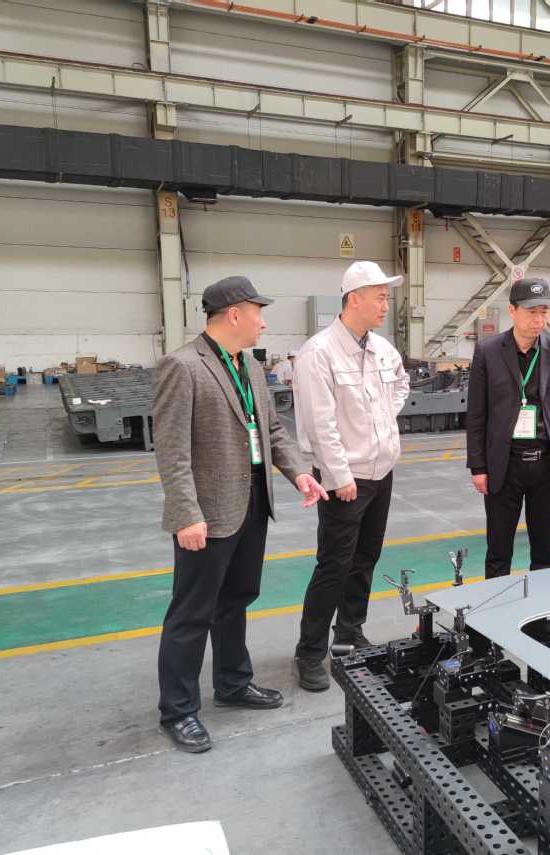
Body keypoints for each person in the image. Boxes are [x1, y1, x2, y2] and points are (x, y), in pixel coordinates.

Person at [153, 275, 328, 753]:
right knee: (192, 612)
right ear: (234, 314)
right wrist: (186, 514)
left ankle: (232, 682)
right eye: (258, 312)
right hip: (207, 514)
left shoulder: (248, 365)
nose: (263, 322)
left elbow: (270, 430)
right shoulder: (182, 366)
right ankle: (178, 710)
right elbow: (172, 451)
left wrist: (298, 474)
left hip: (251, 504)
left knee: (236, 599)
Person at [292, 260, 411, 692]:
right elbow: (319, 424)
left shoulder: (383, 349)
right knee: (334, 565)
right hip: (345, 479)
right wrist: (340, 475)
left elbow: (401, 385)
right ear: (354, 299)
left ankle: (348, 634)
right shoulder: (319, 353)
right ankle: (309, 652)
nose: (385, 305)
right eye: (379, 297)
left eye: (386, 297)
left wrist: (380, 419)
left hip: (381, 472)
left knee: (365, 559)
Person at [466, 278, 550, 579]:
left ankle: (542, 606)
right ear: (512, 311)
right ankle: (496, 605)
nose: (539, 319)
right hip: (504, 464)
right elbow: (476, 414)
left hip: (548, 465)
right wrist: (478, 466)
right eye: (531, 311)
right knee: (498, 550)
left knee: (545, 551)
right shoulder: (488, 351)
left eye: (544, 311)